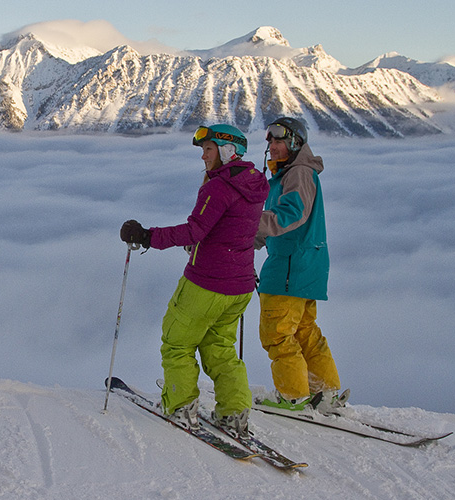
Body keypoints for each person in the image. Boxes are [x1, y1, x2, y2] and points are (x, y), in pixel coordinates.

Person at [120, 124, 269, 436]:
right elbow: (229, 228)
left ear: (229, 151)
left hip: (206, 283)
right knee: (220, 347)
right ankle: (235, 412)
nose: (203, 156)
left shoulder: (219, 187)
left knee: (177, 342)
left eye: (209, 149)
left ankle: (180, 406)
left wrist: (147, 236)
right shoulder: (255, 183)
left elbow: (195, 230)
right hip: (240, 284)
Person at [254, 117, 345, 414]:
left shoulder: (298, 174)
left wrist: (242, 222)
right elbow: (278, 225)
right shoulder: (294, 174)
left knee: (278, 335)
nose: (273, 146)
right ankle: (325, 393)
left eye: (279, 141)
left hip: (289, 269)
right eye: (270, 141)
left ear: (295, 143)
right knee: (305, 331)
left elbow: (290, 215)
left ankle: (292, 397)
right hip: (305, 266)